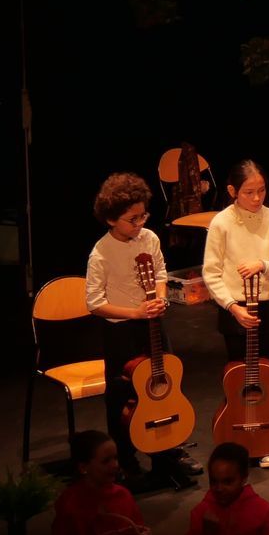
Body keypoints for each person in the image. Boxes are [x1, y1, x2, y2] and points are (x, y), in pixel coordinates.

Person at [203, 162, 269, 464]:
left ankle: (266, 442)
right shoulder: (221, 223)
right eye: (249, 192)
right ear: (232, 191)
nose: (257, 198)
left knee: (265, 377)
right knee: (237, 380)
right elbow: (212, 273)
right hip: (235, 307)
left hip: (265, 305)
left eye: (261, 191)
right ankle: (237, 441)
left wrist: (263, 264)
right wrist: (232, 307)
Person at [84, 172, 171, 483]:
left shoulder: (150, 239)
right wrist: (134, 312)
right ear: (110, 219)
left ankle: (166, 450)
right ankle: (123, 458)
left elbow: (160, 273)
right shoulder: (101, 253)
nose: (139, 224)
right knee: (122, 396)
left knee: (163, 385)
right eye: (131, 219)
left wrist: (160, 300)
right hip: (121, 331)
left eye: (143, 215)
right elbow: (94, 303)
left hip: (152, 324)